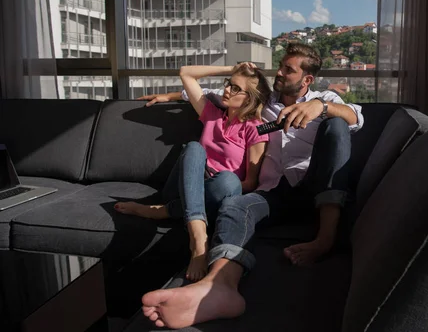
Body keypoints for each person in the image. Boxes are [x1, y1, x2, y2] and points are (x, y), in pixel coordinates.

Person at [139, 44, 364, 329]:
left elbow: (357, 117)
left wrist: (322, 106)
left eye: (288, 70)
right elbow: (212, 96)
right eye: (281, 66)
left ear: (307, 79)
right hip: (273, 192)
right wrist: (169, 96)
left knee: (337, 126)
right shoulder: (263, 101)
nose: (279, 72)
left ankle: (325, 239)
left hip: (312, 185)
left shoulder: (324, 98)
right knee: (235, 206)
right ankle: (218, 286)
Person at [114, 62, 271, 282]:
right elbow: (186, 73)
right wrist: (233, 69)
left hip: (216, 193)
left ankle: (165, 211)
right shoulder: (212, 114)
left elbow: (250, 182)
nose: (226, 90)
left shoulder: (255, 130)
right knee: (194, 148)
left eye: (235, 88)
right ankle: (198, 237)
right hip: (183, 185)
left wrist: (222, 181)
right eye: (229, 84)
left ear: (250, 98)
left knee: (229, 180)